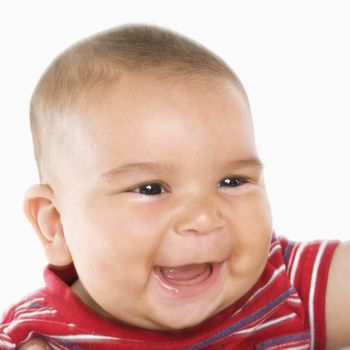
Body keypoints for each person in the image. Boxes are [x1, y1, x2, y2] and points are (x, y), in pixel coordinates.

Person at [1, 24, 349, 350]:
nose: (203, 216)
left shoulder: (282, 282)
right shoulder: (35, 339)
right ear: (55, 225)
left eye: (232, 181)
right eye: (151, 189)